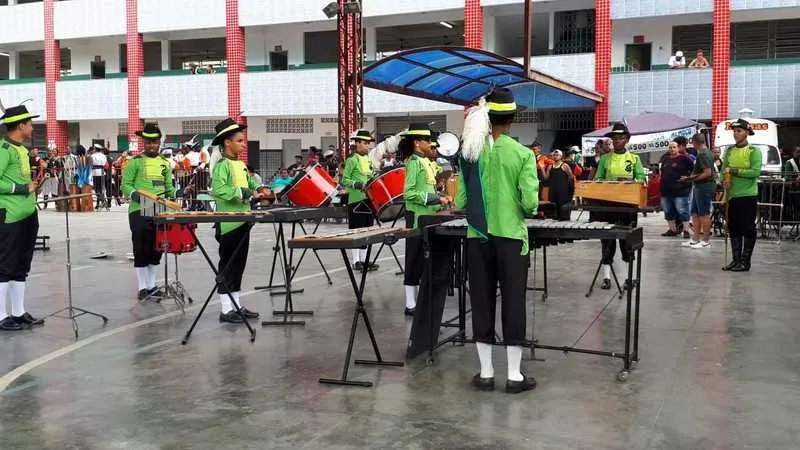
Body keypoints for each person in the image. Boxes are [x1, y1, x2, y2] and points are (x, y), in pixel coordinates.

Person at [456, 88, 539, 393]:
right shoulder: (523, 155)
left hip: (478, 237)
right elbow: (530, 204)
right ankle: (515, 376)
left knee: (481, 300)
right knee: (513, 302)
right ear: (512, 119)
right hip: (511, 239)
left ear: (487, 118)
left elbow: (462, 199)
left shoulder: (469, 155)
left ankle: (486, 373)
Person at [209, 118, 267, 322]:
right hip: (228, 224)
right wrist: (247, 193)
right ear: (227, 143)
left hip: (244, 221)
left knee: (239, 265)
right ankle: (226, 309)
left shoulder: (241, 165)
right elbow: (220, 190)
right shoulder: (221, 166)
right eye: (240, 140)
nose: (244, 144)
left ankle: (236, 304)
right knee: (228, 265)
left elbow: (251, 183)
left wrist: (262, 190)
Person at [0, 103, 45, 330]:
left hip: (28, 213)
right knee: (5, 266)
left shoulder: (22, 150)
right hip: (10, 216)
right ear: (20, 125)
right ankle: (1, 315)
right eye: (29, 123)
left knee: (21, 266)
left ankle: (18, 312)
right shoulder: (3, 150)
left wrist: (34, 186)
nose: (32, 127)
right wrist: (22, 188)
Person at [399, 123, 450, 316]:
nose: (430, 143)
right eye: (427, 140)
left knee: (425, 259)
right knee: (414, 259)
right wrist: (436, 198)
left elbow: (429, 188)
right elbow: (409, 193)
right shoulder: (413, 162)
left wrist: (441, 195)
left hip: (428, 217)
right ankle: (410, 303)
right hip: (417, 218)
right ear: (417, 142)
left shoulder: (426, 162)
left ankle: (421, 298)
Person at [121, 124, 175, 300]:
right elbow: (125, 185)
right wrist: (135, 195)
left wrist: (174, 195)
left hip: (159, 208)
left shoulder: (165, 164)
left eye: (155, 142)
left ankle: (152, 285)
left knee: (156, 248)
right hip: (139, 208)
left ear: (159, 142)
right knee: (141, 248)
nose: (152, 145)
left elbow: (168, 187)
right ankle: (142, 287)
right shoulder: (134, 162)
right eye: (149, 142)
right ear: (144, 143)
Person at [593, 123, 646, 290]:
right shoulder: (604, 159)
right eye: (614, 138)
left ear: (627, 139)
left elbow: (641, 179)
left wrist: (630, 182)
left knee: (627, 242)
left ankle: (628, 277)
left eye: (621, 138)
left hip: (627, 206)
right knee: (607, 242)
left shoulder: (634, 159)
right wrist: (607, 183)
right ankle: (607, 277)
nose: (617, 141)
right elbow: (597, 179)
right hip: (608, 205)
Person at [721, 119, 761, 272]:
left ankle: (745, 261)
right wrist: (724, 180)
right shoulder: (729, 150)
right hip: (732, 195)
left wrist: (735, 171)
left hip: (748, 195)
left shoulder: (753, 151)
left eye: (739, 131)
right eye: (734, 131)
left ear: (747, 132)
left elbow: (755, 172)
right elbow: (723, 169)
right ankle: (736, 260)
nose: (735, 134)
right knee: (733, 228)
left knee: (748, 228)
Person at [341, 130, 377, 271]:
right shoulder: (352, 160)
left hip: (368, 200)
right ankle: (356, 261)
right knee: (356, 231)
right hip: (356, 200)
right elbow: (345, 180)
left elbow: (371, 176)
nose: (367, 146)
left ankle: (364, 260)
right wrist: (357, 184)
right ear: (357, 143)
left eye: (368, 143)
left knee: (367, 230)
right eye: (365, 143)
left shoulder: (368, 160)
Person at [681, 133, 715, 248]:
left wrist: (691, 178)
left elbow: (708, 173)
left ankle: (705, 241)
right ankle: (695, 238)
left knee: (704, 214)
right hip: (699, 186)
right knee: (695, 213)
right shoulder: (707, 152)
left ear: (695, 142)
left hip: (704, 187)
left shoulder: (703, 154)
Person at [659, 137, 694, 238]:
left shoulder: (685, 159)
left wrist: (688, 178)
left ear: (678, 148)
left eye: (674, 147)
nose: (672, 149)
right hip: (666, 191)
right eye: (670, 147)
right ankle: (672, 229)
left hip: (680, 191)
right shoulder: (665, 159)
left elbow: (694, 170)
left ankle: (686, 230)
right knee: (668, 211)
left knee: (682, 210)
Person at [541, 149, 574, 220]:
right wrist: (543, 169)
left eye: (557, 155)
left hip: (562, 189)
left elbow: (571, 176)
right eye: (554, 155)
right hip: (553, 189)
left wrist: (567, 186)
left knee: (562, 205)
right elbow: (546, 178)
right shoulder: (550, 166)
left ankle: (565, 219)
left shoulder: (565, 166)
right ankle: (556, 218)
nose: (555, 156)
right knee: (554, 205)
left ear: (561, 156)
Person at [90, 144, 109, 209]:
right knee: (101, 189)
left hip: (95, 172)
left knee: (96, 189)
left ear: (95, 149)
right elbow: (106, 165)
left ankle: (103, 201)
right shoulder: (104, 156)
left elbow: (91, 164)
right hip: (102, 172)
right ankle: (99, 203)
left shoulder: (92, 156)